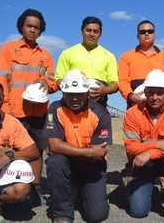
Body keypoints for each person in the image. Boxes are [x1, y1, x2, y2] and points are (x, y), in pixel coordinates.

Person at [0, 8, 57, 200]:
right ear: (21, 27)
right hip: (14, 112)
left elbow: (54, 82)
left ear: (41, 30)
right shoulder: (8, 49)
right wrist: (4, 109)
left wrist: (46, 82)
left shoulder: (45, 55)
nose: (32, 30)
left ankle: (35, 187)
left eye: (37, 27)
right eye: (29, 26)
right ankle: (9, 184)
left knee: (37, 151)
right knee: (13, 150)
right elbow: (1, 82)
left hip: (39, 113)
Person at [45, 69, 111, 223]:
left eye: (79, 94)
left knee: (96, 216)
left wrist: (90, 153)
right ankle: (62, 213)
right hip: (67, 163)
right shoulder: (54, 109)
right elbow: (54, 145)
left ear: (87, 93)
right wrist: (89, 152)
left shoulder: (100, 113)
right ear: (62, 92)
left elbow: (99, 152)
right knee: (55, 162)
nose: (74, 99)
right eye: (69, 94)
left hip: (91, 167)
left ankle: (81, 190)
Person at [123, 69, 164, 223]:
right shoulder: (132, 113)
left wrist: (149, 153)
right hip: (142, 164)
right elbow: (131, 148)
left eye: (159, 93)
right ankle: (137, 183)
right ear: (145, 91)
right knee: (138, 212)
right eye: (150, 92)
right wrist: (159, 144)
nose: (154, 97)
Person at [0, 79, 40, 221]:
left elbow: (33, 152)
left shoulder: (11, 122)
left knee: (21, 190)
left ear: (3, 101)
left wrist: (8, 155)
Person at [55, 16, 118, 107]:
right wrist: (74, 88)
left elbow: (115, 84)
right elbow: (59, 79)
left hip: (98, 104)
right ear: (82, 31)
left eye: (96, 31)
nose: (92, 34)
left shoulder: (109, 56)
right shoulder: (67, 53)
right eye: (88, 30)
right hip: (72, 103)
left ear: (100, 34)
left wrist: (104, 90)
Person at [119, 20, 164, 108]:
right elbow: (122, 81)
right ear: (137, 35)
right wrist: (132, 96)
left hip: (161, 108)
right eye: (142, 32)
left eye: (150, 31)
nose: (146, 34)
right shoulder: (126, 57)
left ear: (154, 35)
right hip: (135, 106)